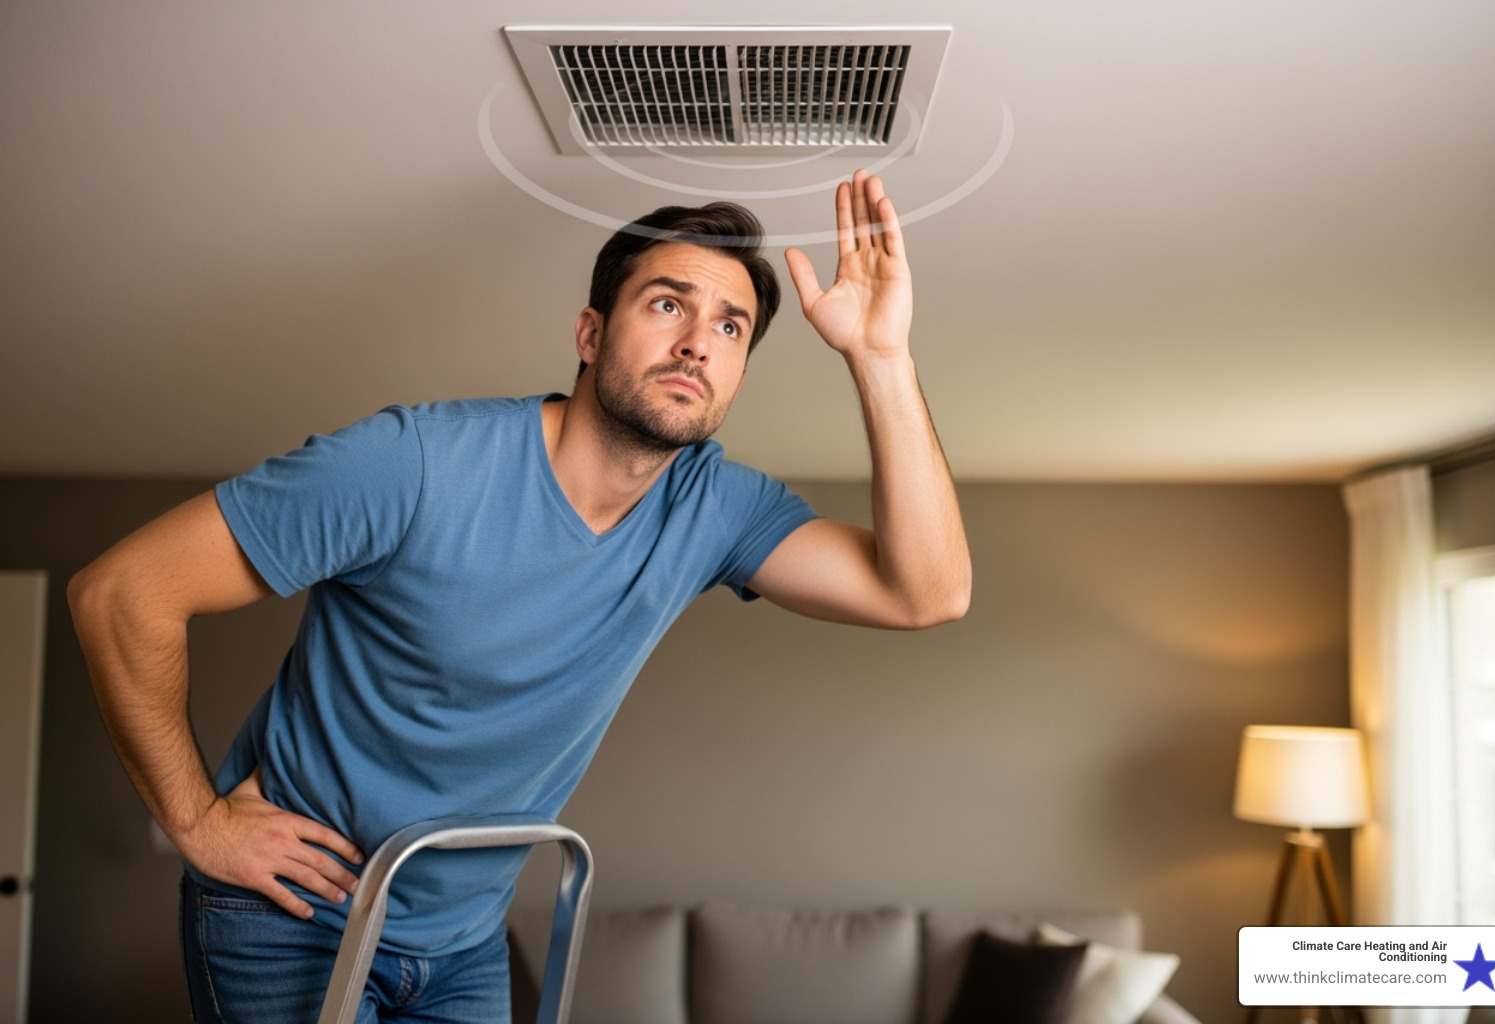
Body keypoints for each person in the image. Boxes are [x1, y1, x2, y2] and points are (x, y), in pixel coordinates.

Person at [68, 170, 970, 1022]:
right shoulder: (412, 466)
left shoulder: (715, 508)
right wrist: (195, 820)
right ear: (589, 334)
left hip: (463, 945)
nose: (699, 339)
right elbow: (121, 593)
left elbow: (925, 593)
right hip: (292, 915)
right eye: (668, 304)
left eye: (731, 328)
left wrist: (880, 355)